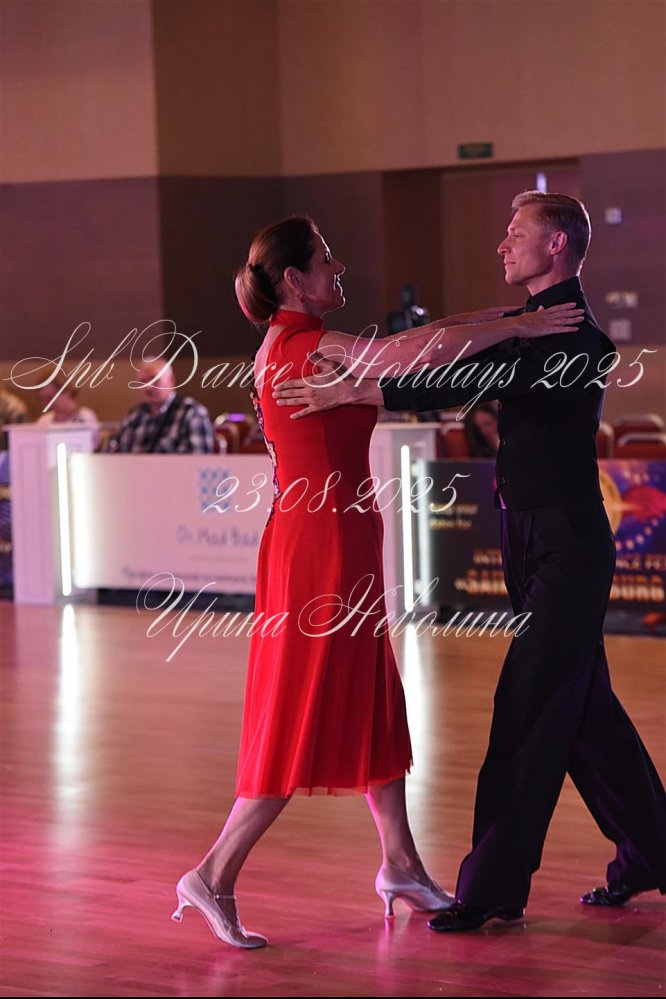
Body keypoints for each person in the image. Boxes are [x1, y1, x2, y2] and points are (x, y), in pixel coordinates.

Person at [170, 215, 580, 949]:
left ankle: (400, 864)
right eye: (327, 260)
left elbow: (421, 339)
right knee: (303, 708)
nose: (340, 268)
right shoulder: (304, 346)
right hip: (319, 549)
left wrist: (504, 316)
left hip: (335, 539)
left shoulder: (302, 341)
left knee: (371, 698)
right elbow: (406, 356)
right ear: (295, 280)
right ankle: (213, 872)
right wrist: (519, 327)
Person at [272, 192, 666, 932]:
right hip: (530, 537)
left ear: (557, 245)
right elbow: (455, 353)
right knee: (586, 713)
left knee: (526, 707)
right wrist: (369, 380)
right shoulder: (530, 323)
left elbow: (471, 378)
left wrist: (364, 387)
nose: (502, 244)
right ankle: (653, 852)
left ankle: (490, 889)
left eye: (516, 233)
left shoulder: (576, 337)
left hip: (568, 544)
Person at [104, 358, 214, 453]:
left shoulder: (192, 412)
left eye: (155, 379)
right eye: (143, 382)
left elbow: (198, 460)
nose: (148, 387)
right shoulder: (135, 415)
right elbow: (115, 452)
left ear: (171, 381)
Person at [35, 376, 101, 449]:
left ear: (67, 392)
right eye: (43, 399)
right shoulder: (44, 421)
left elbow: (91, 449)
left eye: (50, 397)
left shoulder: (86, 417)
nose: (47, 403)